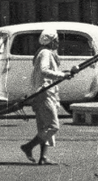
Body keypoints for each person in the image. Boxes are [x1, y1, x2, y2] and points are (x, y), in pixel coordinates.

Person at [18, 27, 69, 166]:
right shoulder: (46, 53)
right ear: (51, 41)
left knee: (44, 127)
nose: (58, 42)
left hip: (42, 93)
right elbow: (44, 70)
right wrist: (62, 75)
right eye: (56, 40)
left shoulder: (44, 52)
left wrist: (64, 73)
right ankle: (28, 146)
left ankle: (43, 157)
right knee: (53, 126)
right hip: (44, 93)